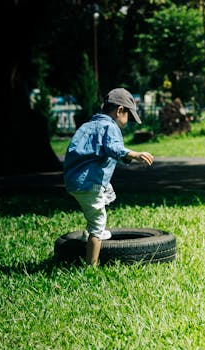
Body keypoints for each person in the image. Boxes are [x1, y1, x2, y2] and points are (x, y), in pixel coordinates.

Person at [63, 88, 154, 266]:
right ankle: (91, 266)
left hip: (74, 181)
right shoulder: (109, 127)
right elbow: (114, 148)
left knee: (107, 195)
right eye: (128, 115)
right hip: (90, 183)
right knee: (98, 223)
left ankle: (90, 231)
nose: (128, 121)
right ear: (120, 110)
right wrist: (134, 154)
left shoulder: (87, 126)